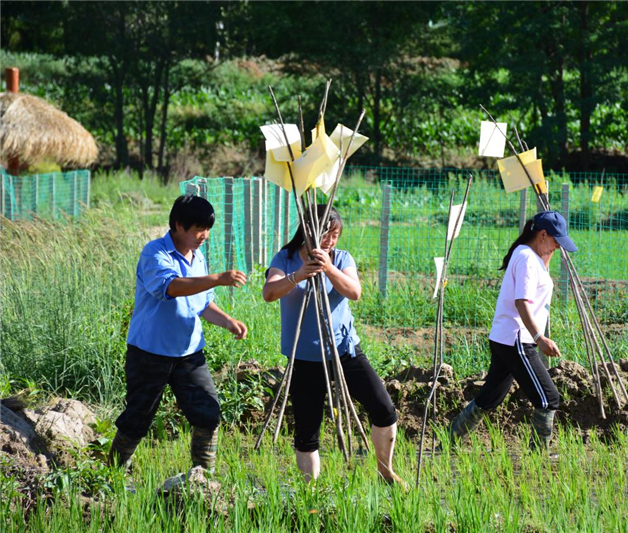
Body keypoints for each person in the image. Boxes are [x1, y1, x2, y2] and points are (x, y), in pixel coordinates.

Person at [262, 204, 405, 486]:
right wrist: (300, 274)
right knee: (307, 432)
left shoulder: (340, 258)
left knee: (384, 409)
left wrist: (327, 269)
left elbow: (355, 292)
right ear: (308, 231)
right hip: (304, 358)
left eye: (335, 236)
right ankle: (310, 493)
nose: (329, 242)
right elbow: (269, 292)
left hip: (343, 351)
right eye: (325, 235)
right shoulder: (286, 258)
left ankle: (384, 471)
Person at [108, 195, 248, 473]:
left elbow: (202, 303)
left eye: (208, 229)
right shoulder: (154, 253)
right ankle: (109, 475)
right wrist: (219, 278)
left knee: (208, 413)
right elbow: (172, 288)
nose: (204, 236)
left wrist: (228, 320)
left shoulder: (198, 258)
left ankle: (203, 479)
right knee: (137, 419)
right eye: (198, 229)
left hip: (189, 354)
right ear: (178, 225)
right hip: (150, 353)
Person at [447, 210, 577, 451]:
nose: (558, 247)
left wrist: (547, 252)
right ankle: (539, 458)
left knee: (490, 398)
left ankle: (448, 441)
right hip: (518, 339)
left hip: (504, 337)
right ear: (542, 234)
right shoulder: (527, 258)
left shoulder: (529, 254)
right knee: (549, 399)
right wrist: (540, 338)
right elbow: (522, 302)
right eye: (555, 241)